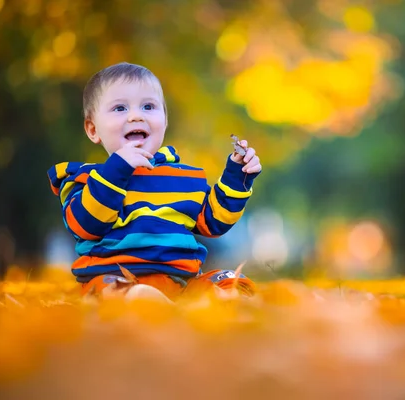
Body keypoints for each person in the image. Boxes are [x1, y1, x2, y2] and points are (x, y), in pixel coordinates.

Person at [47, 62, 261, 299]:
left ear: (165, 121)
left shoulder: (183, 177)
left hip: (180, 283)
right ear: (93, 129)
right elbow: (85, 224)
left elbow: (214, 222)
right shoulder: (85, 180)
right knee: (111, 292)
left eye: (148, 106)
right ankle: (146, 304)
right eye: (119, 108)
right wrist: (116, 170)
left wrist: (237, 175)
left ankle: (220, 304)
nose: (136, 116)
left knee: (232, 280)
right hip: (117, 277)